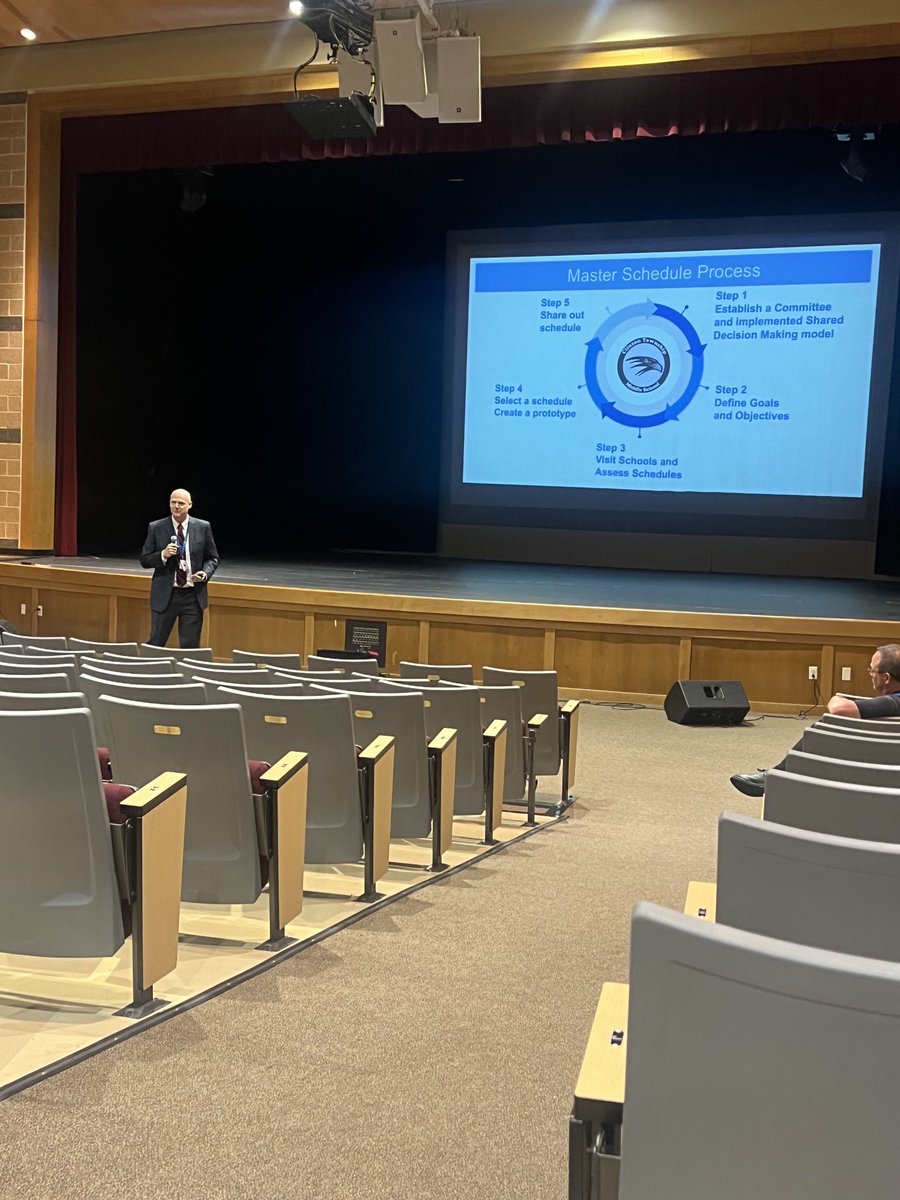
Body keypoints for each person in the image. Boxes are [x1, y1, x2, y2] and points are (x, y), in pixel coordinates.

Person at [730, 643, 900, 797]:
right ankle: (779, 773)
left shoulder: (894, 702)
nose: (870, 674)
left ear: (886, 678)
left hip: (880, 763)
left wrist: (835, 698)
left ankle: (777, 776)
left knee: (826, 726)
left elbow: (839, 709)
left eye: (872, 670)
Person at [140, 488, 219, 648]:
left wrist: (204, 574)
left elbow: (212, 558)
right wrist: (162, 554)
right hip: (166, 596)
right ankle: (149, 672)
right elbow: (145, 559)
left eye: (181, 503)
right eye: (173, 502)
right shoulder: (156, 527)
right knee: (155, 643)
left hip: (192, 596)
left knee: (190, 647)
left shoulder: (203, 527)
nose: (176, 506)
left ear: (189, 505)